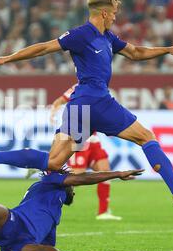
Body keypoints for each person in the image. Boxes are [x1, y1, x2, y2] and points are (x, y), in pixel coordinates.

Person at [0, 0, 173, 208]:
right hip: (95, 101)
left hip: (80, 106)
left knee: (54, 162)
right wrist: (6, 59)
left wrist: (166, 49)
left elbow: (136, 53)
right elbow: (44, 48)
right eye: (114, 14)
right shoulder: (81, 34)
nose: (116, 18)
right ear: (104, 13)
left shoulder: (108, 38)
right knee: (146, 137)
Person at [0, 168, 144, 251]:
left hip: (23, 245)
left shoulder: (55, 216)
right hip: (12, 222)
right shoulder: (50, 183)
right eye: (72, 184)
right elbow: (86, 177)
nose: (74, 188)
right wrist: (116, 174)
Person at [49, 84, 121, 220]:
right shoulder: (78, 87)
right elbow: (59, 101)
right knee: (75, 176)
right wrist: (53, 113)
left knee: (105, 169)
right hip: (80, 136)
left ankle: (103, 212)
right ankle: (46, 169)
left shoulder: (101, 86)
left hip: (93, 137)